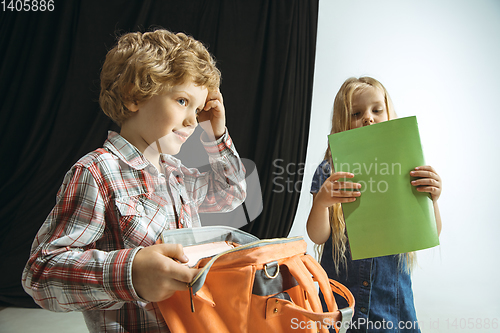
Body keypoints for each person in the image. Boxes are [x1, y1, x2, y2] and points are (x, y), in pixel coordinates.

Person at [22, 29, 246, 332]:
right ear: (133, 96)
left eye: (198, 109)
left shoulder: (177, 174)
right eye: (182, 101)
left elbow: (231, 192)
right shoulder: (97, 171)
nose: (193, 121)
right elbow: (40, 274)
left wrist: (217, 134)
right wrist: (131, 273)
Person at [306, 77, 442, 332]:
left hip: (392, 304)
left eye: (376, 110)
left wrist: (433, 198)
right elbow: (318, 235)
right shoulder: (329, 171)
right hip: (342, 304)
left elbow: (432, 231)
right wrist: (322, 203)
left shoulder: (407, 168)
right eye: (356, 113)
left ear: (389, 114)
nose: (368, 118)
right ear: (341, 123)